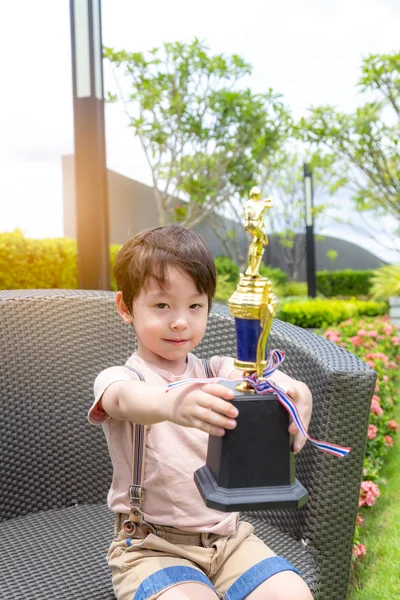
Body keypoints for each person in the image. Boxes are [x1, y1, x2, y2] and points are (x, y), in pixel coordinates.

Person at [88, 225, 313, 600]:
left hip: (229, 541)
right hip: (151, 546)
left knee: (292, 593)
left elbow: (259, 375)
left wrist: (295, 392)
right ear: (126, 307)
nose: (180, 321)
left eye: (195, 305)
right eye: (162, 305)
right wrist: (171, 404)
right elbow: (123, 400)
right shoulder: (122, 377)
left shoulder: (217, 370)